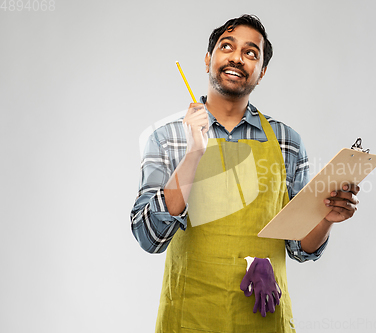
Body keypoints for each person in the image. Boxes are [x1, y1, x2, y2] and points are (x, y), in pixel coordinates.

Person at [131, 14, 360, 333]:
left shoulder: (286, 142)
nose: (238, 57)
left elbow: (299, 247)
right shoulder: (168, 138)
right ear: (209, 59)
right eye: (227, 46)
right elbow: (149, 237)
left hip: (263, 319)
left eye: (252, 52)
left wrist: (326, 217)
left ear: (261, 72)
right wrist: (194, 152)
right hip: (189, 319)